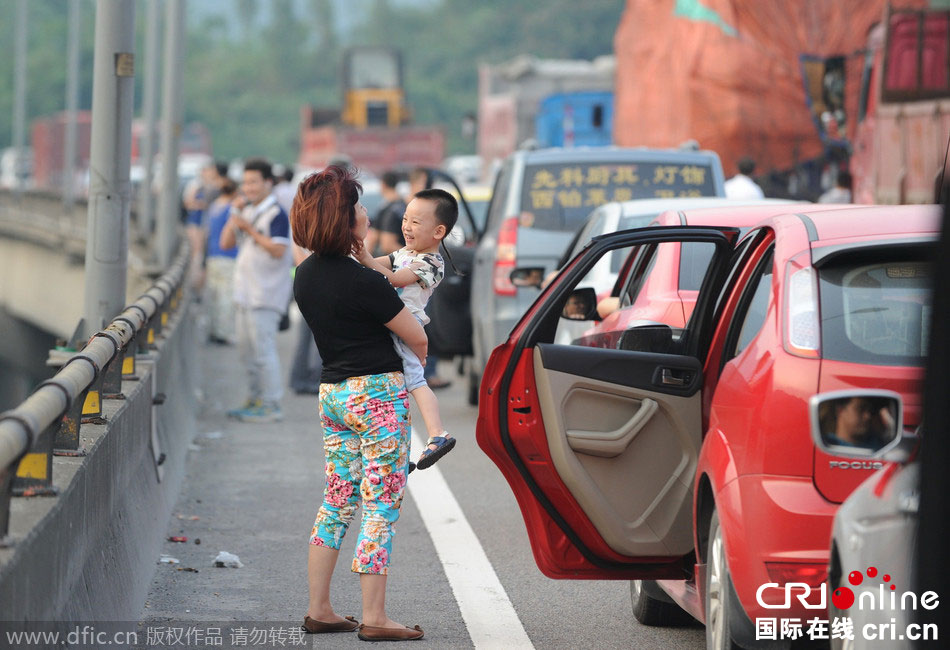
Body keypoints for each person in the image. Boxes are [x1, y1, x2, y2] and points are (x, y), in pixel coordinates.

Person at [291, 164, 426, 641]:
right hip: (379, 398)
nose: (366, 213)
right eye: (358, 207)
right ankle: (375, 617)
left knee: (337, 499)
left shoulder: (303, 276)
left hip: (334, 397)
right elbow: (417, 339)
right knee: (380, 505)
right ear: (346, 221)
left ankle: (320, 609)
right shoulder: (366, 282)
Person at [356, 188, 459, 471]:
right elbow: (376, 266)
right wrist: (353, 261)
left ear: (438, 231)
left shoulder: (431, 263)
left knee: (415, 381)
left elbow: (395, 279)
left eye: (415, 222)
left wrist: (364, 258)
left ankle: (438, 434)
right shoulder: (405, 252)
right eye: (405, 219)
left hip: (406, 325)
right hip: (391, 323)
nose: (406, 226)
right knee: (395, 386)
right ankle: (400, 450)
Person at [220, 158, 293, 423]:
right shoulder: (248, 210)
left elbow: (278, 250)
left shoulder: (277, 214)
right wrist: (234, 215)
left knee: (264, 352)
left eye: (254, 182)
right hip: (245, 293)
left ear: (268, 183)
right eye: (245, 182)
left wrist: (249, 228)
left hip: (266, 294)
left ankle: (272, 404)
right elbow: (226, 243)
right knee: (247, 354)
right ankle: (255, 399)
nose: (248, 188)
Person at [204, 178, 239, 344]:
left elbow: (207, 232)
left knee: (213, 294)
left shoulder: (213, 207)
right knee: (226, 296)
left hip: (212, 255)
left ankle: (212, 329)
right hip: (229, 256)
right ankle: (222, 333)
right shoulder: (231, 209)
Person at [368, 170, 406, 255]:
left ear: (383, 184)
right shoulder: (404, 205)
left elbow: (387, 245)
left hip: (392, 263)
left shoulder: (389, 209)